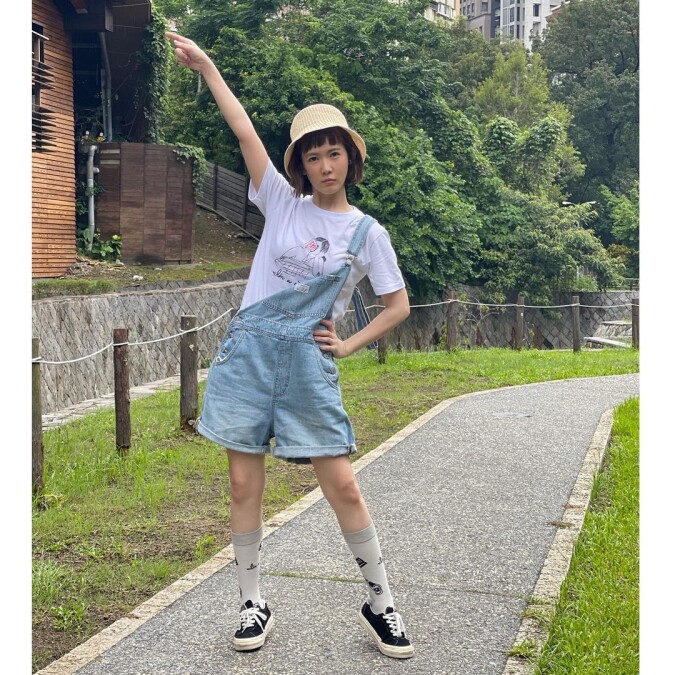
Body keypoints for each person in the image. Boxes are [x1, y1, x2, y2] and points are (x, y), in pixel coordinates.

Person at [166, 31, 414, 660]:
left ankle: (381, 603)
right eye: (313, 156)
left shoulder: (367, 233)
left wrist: (349, 345)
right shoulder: (281, 202)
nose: (325, 166)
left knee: (343, 486)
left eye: (334, 153)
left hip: (308, 364)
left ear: (349, 159)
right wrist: (208, 68)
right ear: (300, 164)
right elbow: (243, 130)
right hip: (248, 357)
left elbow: (398, 306)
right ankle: (252, 602)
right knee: (242, 487)